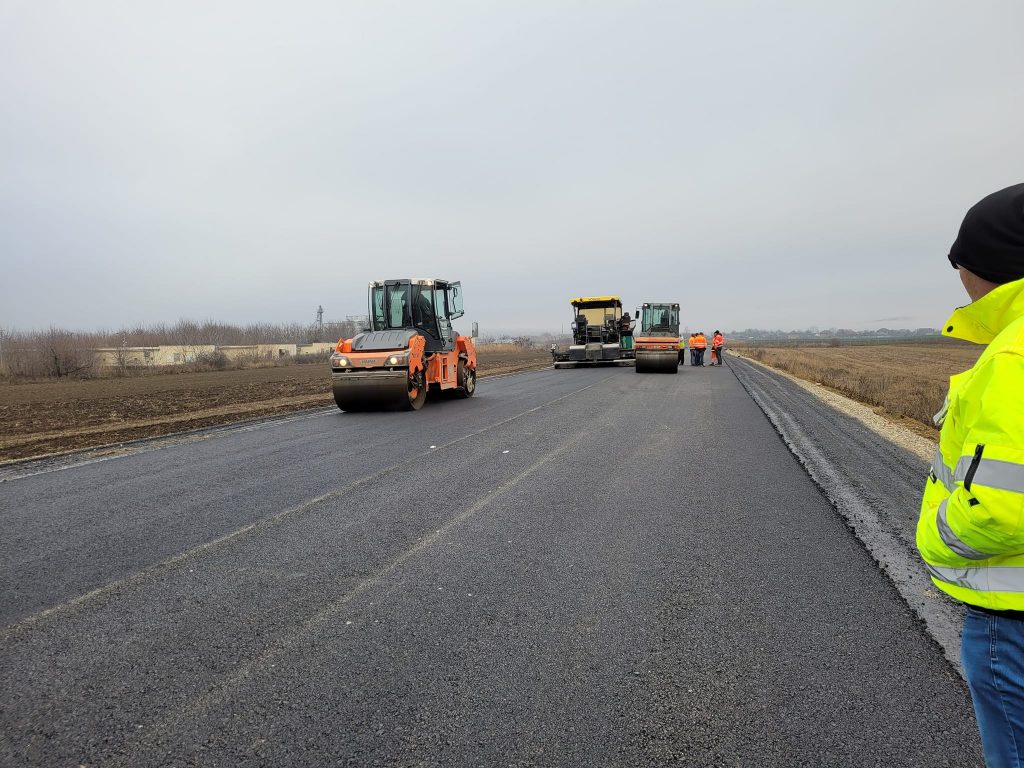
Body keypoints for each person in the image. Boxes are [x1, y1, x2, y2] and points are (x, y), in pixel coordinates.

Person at [915, 183, 1024, 767]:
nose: (959, 276)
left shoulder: (1013, 357)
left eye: (962, 264)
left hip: (1013, 620)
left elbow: (1002, 505)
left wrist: (933, 539)